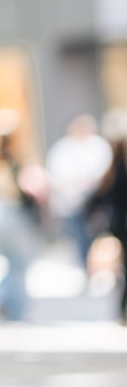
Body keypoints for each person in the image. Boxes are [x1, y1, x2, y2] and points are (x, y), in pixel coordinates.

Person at [0, 111, 47, 321]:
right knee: (19, 262)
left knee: (13, 262)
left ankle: (2, 300)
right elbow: (20, 190)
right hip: (10, 215)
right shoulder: (13, 162)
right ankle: (13, 308)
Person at [46, 113, 112, 270]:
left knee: (98, 236)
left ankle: (100, 266)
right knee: (79, 237)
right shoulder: (63, 149)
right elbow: (57, 175)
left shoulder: (97, 146)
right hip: (71, 202)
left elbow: (103, 171)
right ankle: (86, 266)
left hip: (95, 201)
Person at [86, 114, 127, 324]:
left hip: (118, 225)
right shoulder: (115, 170)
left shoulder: (112, 169)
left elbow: (94, 200)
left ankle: (122, 311)